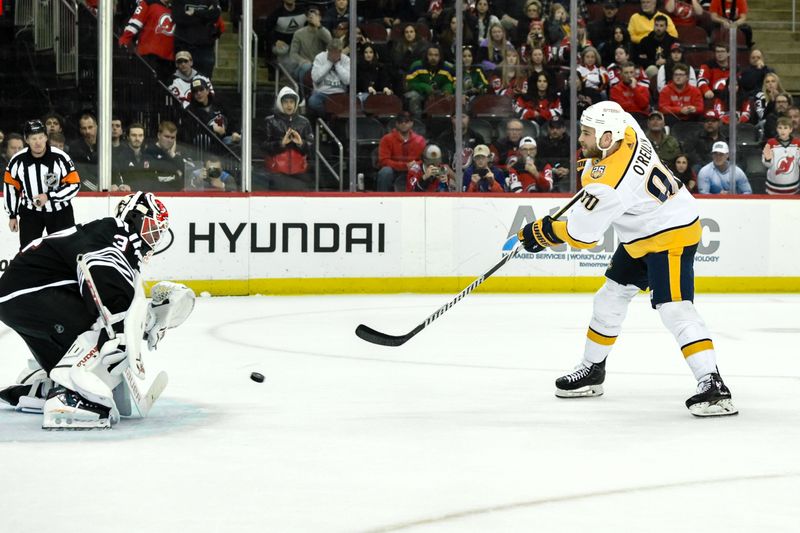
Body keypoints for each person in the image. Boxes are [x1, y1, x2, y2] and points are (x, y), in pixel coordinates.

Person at [516, 100, 737, 417]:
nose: (581, 140)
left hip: (671, 233)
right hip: (642, 234)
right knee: (609, 297)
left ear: (607, 137)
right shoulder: (628, 129)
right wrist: (592, 170)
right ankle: (593, 370)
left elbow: (583, 235)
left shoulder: (609, 186)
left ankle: (714, 387)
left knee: (675, 309)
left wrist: (544, 232)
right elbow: (614, 119)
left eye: (588, 134)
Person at [0, 192, 194, 429]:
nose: (153, 237)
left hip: (20, 293)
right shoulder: (117, 231)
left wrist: (140, 322)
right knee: (98, 328)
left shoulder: (114, 240)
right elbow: (98, 269)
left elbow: (114, 288)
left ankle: (46, 385)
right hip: (30, 291)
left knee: (95, 331)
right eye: (151, 227)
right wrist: (119, 330)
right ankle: (70, 397)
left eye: (158, 232)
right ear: (133, 218)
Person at [3, 120, 80, 249]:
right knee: (28, 253)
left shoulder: (61, 157)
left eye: (40, 137)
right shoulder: (17, 161)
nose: (38, 142)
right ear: (26, 140)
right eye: (33, 138)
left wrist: (49, 196)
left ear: (46, 137)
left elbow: (74, 185)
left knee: (65, 251)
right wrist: (12, 215)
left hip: (59, 213)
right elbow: (11, 188)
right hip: (30, 213)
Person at [262, 87, 314, 188]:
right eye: (286, 102)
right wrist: (281, 143)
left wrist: (301, 143)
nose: (289, 105)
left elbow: (312, 147)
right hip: (277, 172)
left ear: (296, 103)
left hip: (300, 172)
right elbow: (263, 146)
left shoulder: (304, 122)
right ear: (280, 104)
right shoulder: (270, 121)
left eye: (291, 102)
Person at [118, 0, 175, 82]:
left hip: (168, 60)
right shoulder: (148, 2)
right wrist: (125, 39)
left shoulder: (176, 10)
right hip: (148, 56)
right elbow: (135, 22)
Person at [171, 0, 224, 77]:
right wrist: (205, 16)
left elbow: (215, 14)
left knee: (204, 83)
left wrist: (195, 13)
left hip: (205, 47)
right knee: (182, 82)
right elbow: (178, 18)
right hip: (183, 45)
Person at [376, 111, 426, 192]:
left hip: (414, 170)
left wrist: (415, 164)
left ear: (412, 123)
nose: (403, 124)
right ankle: (382, 199)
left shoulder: (420, 140)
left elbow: (424, 160)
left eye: (406, 121)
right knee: (385, 172)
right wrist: (404, 166)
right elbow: (384, 161)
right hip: (394, 170)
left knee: (425, 170)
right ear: (396, 124)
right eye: (400, 121)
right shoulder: (386, 139)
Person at [404, 44, 455, 117]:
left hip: (439, 94)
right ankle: (417, 120)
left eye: (436, 55)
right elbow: (411, 84)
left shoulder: (446, 67)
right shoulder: (416, 65)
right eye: (430, 55)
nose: (433, 57)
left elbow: (448, 83)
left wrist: (447, 91)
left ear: (440, 57)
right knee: (413, 96)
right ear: (426, 56)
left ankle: (442, 119)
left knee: (450, 97)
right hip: (420, 93)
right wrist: (426, 87)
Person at [187, 78, 241, 145]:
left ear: (207, 90)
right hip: (206, 146)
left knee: (242, 139)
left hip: (225, 140)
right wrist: (212, 128)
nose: (199, 93)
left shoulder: (219, 102)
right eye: (195, 91)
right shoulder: (190, 110)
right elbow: (190, 132)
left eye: (201, 89)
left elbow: (232, 118)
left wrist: (235, 132)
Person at [144, 120, 193, 191]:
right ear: (159, 135)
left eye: (172, 137)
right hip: (159, 194)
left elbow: (190, 172)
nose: (169, 140)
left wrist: (173, 155)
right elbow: (149, 178)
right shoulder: (149, 151)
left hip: (179, 195)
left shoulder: (182, 151)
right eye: (166, 137)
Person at [309, 38, 351, 117]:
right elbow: (315, 78)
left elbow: (347, 81)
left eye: (338, 52)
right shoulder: (320, 57)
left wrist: (337, 65)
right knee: (313, 102)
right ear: (328, 51)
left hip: (340, 93)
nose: (335, 55)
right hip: (322, 93)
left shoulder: (346, 60)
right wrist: (329, 63)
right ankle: (325, 119)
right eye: (333, 52)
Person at [290, 6, 332, 84]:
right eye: (310, 15)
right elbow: (293, 54)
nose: (312, 17)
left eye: (316, 15)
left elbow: (330, 42)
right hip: (303, 65)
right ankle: (302, 93)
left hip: (320, 65)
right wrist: (302, 61)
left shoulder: (324, 31)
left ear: (320, 17)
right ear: (306, 18)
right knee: (306, 67)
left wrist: (319, 26)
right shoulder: (298, 33)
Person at [761, 117, 800, 195]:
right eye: (780, 128)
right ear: (776, 129)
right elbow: (767, 164)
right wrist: (767, 159)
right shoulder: (770, 143)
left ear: (790, 129)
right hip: (773, 188)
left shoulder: (797, 144)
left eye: (785, 128)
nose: (782, 130)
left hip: (793, 188)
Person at [112, 123, 152, 191]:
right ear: (128, 137)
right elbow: (116, 179)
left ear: (143, 137)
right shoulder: (119, 156)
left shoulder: (149, 156)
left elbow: (152, 180)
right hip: (127, 196)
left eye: (140, 135)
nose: (137, 138)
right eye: (134, 135)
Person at [536, 116, 571, 190]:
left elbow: (576, 159)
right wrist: (553, 170)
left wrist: (568, 170)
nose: (555, 130)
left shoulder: (571, 142)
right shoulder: (541, 142)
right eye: (552, 128)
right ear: (548, 129)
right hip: (547, 173)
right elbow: (538, 161)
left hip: (568, 176)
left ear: (564, 129)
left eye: (558, 128)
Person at [69, 113, 99, 189]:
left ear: (96, 127)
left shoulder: (105, 145)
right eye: (84, 128)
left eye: (90, 127)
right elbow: (80, 174)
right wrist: (97, 188)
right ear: (80, 130)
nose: (87, 131)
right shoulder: (75, 147)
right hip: (85, 191)